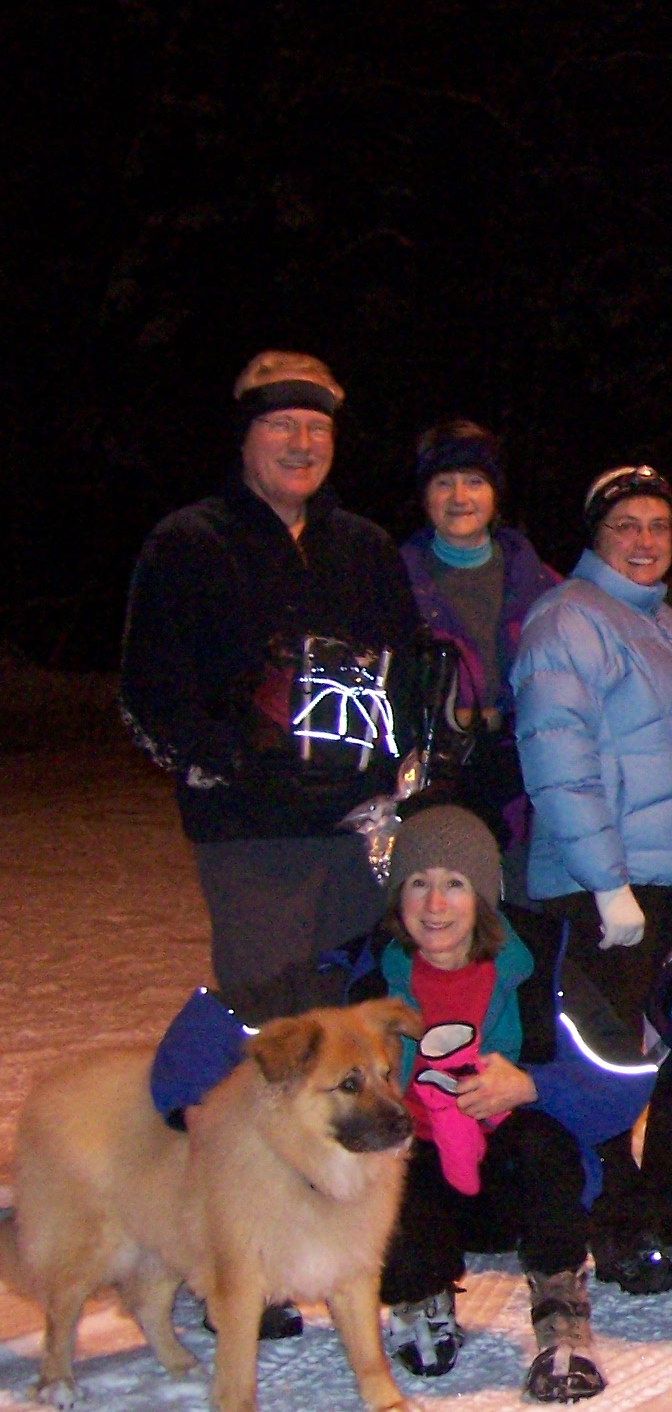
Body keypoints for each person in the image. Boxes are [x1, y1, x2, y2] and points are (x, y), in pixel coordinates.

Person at [148, 805, 654, 1401]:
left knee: (543, 1143)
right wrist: (190, 1107)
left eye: (455, 884)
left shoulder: (539, 964)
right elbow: (219, 1017)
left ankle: (560, 1309)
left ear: (483, 894)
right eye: (418, 883)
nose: (435, 905)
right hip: (414, 1170)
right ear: (398, 895)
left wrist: (534, 1085)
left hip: (509, 1176)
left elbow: (627, 1073)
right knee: (378, 1172)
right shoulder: (359, 975)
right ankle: (419, 1297)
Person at [120, 351, 421, 993]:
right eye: (281, 424)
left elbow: (407, 679)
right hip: (250, 835)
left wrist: (395, 781)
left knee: (353, 1017)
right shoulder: (189, 543)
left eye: (318, 427)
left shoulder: (365, 548)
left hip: (356, 835)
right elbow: (150, 693)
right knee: (272, 1018)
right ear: (245, 436)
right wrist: (240, 765)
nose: (301, 444)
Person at [513, 463, 672, 1293]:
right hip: (607, 889)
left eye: (659, 526)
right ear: (596, 536)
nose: (645, 541)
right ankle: (615, 1224)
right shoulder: (566, 620)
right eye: (625, 526)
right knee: (606, 1065)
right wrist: (606, 883)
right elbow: (557, 760)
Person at [400, 421, 560, 868]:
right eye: (443, 483)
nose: (459, 497)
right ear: (425, 494)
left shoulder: (542, 584)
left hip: (523, 785)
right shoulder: (393, 581)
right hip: (430, 785)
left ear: (495, 494)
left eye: (474, 482)